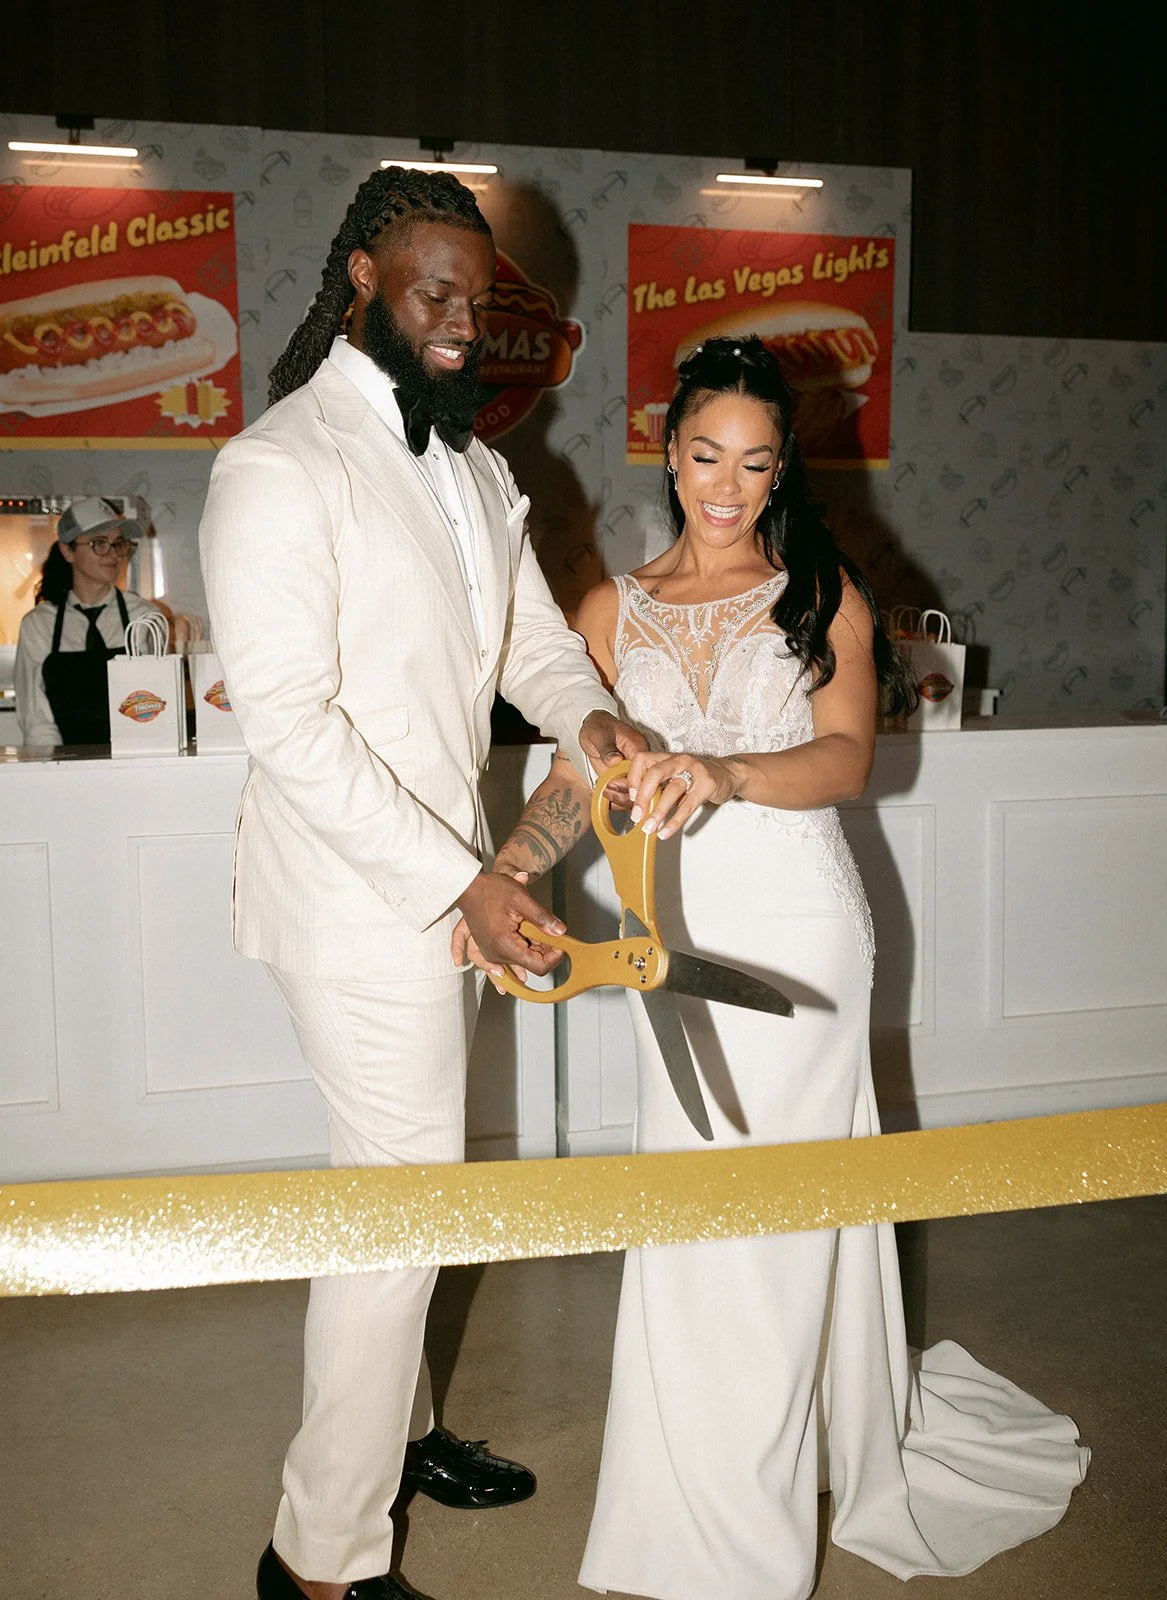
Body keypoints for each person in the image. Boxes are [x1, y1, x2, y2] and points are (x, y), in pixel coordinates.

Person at [463, 338, 1090, 1600]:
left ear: (780, 467)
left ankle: (736, 1549)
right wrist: (521, 865)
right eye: (705, 456)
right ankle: (695, 1491)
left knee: (770, 1218)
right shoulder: (606, 610)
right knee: (690, 1210)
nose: (727, 485)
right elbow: (575, 779)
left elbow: (851, 756)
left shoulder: (822, 593)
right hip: (664, 942)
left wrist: (728, 773)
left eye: (755, 462)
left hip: (798, 932)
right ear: (671, 450)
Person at [198, 167, 645, 1600]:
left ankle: (406, 1432)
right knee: (395, 1210)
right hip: (352, 894)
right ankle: (318, 1560)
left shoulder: (479, 467)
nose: (461, 321)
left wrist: (592, 722)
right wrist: (460, 883)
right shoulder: (277, 464)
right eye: (432, 293)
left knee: (417, 1191)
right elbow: (293, 729)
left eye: (478, 298)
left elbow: (531, 647)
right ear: (362, 287)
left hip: (449, 885)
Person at [13, 497, 159, 747]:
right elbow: (36, 718)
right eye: (99, 543)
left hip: (135, 760)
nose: (113, 554)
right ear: (67, 551)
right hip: (63, 764)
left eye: (118, 543)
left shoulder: (144, 617)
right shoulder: (38, 625)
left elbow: (155, 705)